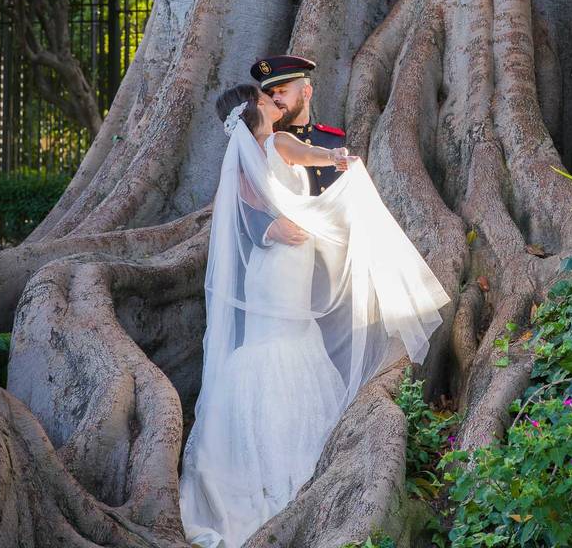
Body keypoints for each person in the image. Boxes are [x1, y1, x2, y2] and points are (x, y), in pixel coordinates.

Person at [178, 84, 450, 548]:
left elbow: (287, 181)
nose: (276, 102)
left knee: (287, 341)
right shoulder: (264, 149)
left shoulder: (261, 152)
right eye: (268, 99)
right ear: (258, 109)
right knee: (285, 343)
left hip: (278, 263)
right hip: (282, 265)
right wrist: (332, 177)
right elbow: (288, 181)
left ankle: (266, 468)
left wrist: (331, 174)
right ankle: (279, 472)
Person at [243, 54, 346, 249]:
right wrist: (268, 227)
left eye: (282, 91)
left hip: (335, 250)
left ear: (306, 92)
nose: (276, 98)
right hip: (289, 248)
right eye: (271, 93)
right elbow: (239, 201)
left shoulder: (335, 140)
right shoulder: (263, 146)